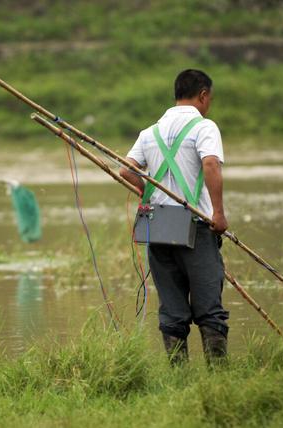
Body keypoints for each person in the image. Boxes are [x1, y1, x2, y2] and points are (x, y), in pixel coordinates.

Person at [120, 69, 229, 365]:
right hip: (196, 227)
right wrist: (218, 213)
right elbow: (210, 164)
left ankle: (178, 378)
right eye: (210, 99)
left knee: (171, 308)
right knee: (209, 307)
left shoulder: (149, 132)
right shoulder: (204, 127)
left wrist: (149, 195)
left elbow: (125, 170)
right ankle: (219, 377)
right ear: (203, 96)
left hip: (158, 228)